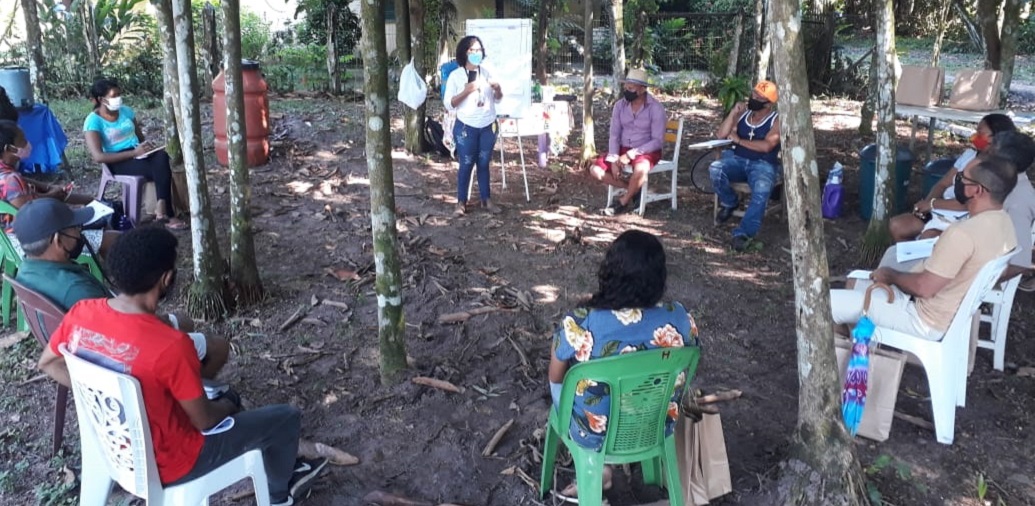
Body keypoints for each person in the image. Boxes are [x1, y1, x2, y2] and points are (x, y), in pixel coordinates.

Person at [37, 227, 327, 506]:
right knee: (284, 417)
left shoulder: (81, 313)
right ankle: (280, 494)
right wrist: (229, 403)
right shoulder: (171, 345)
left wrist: (104, 397)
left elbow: (47, 363)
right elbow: (205, 422)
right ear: (166, 278)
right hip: (175, 463)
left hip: (115, 446)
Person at [548, 230, 700, 496]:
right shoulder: (680, 319)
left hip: (594, 433)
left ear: (610, 272)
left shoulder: (581, 321)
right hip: (655, 422)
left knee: (563, 383)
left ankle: (601, 468)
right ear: (658, 278)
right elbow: (690, 361)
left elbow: (555, 376)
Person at [13, 198, 229, 380]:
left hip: (85, 346)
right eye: (75, 229)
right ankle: (185, 397)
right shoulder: (76, 291)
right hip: (123, 352)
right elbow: (124, 327)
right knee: (216, 345)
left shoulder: (26, 269)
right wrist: (163, 323)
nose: (80, 233)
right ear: (59, 241)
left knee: (183, 321)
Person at [831, 156, 1018, 339]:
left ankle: (840, 358)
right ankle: (854, 352)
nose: (956, 181)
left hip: (922, 319)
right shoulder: (1005, 224)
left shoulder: (961, 233)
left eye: (962, 178)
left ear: (976, 190)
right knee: (854, 281)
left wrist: (890, 275)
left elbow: (924, 288)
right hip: (948, 314)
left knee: (825, 304)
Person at [889, 113, 1016, 242]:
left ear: (997, 137)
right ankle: (909, 258)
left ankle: (928, 260)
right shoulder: (970, 154)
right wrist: (926, 205)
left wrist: (932, 204)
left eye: (980, 133)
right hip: (939, 209)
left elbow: (969, 204)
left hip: (963, 217)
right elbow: (943, 184)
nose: (974, 137)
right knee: (897, 225)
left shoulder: (998, 168)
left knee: (927, 238)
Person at [0, 120, 117, 257]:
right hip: (35, 244)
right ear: (9, 149)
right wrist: (53, 196)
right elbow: (30, 214)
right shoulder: (11, 180)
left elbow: (24, 187)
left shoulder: (7, 175)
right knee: (113, 237)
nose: (27, 142)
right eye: (22, 140)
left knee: (88, 212)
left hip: (7, 241)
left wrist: (48, 189)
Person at [84, 78, 185, 229]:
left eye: (119, 94)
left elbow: (139, 137)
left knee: (162, 156)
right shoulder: (93, 121)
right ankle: (166, 214)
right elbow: (98, 157)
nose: (118, 99)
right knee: (160, 168)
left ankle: (161, 207)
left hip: (138, 153)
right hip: (117, 161)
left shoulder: (126, 111)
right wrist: (133, 153)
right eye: (114, 95)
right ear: (101, 99)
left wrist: (146, 147)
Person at [711, 80, 782, 251]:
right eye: (754, 94)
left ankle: (743, 234)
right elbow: (721, 134)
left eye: (759, 97)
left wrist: (739, 140)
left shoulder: (777, 120)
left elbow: (766, 146)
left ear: (769, 104)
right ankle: (730, 202)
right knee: (715, 168)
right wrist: (733, 114)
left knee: (762, 189)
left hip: (763, 164)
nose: (754, 98)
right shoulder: (743, 114)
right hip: (737, 160)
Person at [587, 68, 667, 216]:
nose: (626, 90)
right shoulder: (619, 106)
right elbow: (614, 134)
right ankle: (635, 190)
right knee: (595, 170)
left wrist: (631, 154)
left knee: (640, 169)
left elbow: (657, 141)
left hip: (647, 151)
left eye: (631, 88)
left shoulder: (656, 109)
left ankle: (623, 202)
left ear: (642, 89)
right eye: (626, 87)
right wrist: (613, 158)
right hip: (622, 149)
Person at [444, 35, 503, 217]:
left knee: (484, 163)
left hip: (488, 126)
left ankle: (486, 200)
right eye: (472, 50)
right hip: (466, 128)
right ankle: (461, 202)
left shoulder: (487, 72)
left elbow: (498, 99)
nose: (476, 53)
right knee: (467, 163)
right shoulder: (455, 76)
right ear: (464, 53)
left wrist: (498, 89)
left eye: (478, 50)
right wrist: (467, 90)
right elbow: (449, 104)